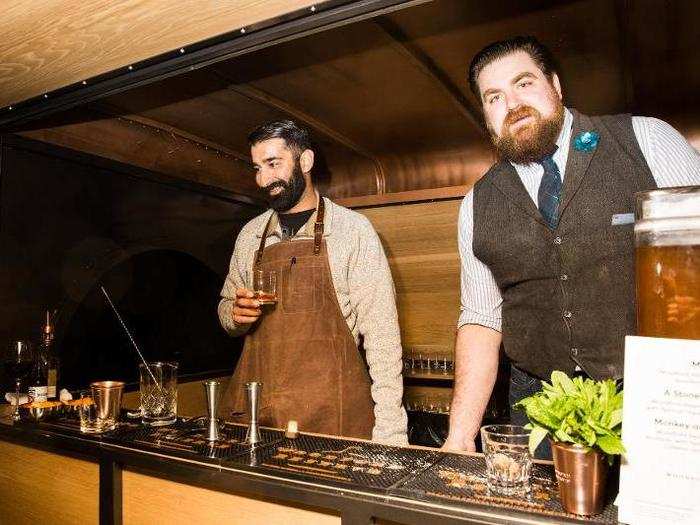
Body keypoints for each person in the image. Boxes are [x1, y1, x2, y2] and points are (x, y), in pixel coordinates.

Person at [443, 36, 700, 455]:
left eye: (523, 83)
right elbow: (480, 319)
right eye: (494, 97)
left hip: (652, 398)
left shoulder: (646, 140)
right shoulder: (477, 202)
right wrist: (459, 435)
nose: (512, 103)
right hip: (539, 412)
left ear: (556, 86)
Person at [218, 120, 407, 445]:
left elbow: (383, 338)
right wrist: (234, 315)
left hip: (332, 418)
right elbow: (224, 309)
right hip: (257, 419)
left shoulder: (352, 231)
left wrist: (391, 435)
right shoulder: (250, 235)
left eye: (273, 164)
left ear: (305, 161)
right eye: (257, 168)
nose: (263, 179)